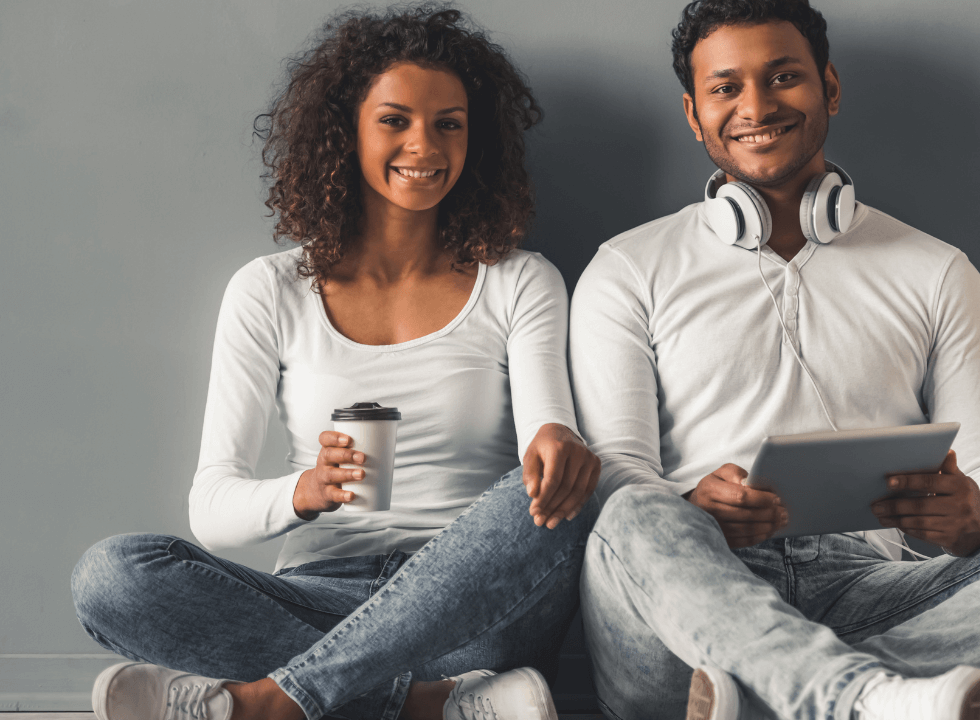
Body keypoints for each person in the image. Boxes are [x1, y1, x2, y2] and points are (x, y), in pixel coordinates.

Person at [567, 1, 980, 719]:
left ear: (829, 88)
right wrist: (691, 507)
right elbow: (615, 468)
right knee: (633, 512)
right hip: (686, 596)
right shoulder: (626, 268)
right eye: (726, 88)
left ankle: (805, 698)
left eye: (783, 77)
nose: (756, 106)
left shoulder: (936, 272)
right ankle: (860, 698)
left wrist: (979, 519)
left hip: (863, 585)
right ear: (693, 112)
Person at [70, 6, 599, 720]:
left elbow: (547, 444)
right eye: (395, 120)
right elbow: (213, 510)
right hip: (320, 591)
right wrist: (303, 492)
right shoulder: (269, 289)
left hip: (469, 604)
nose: (425, 144)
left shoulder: (518, 280)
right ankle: (427, 706)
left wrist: (557, 445)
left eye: (449, 122)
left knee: (554, 499)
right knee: (112, 576)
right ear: (344, 130)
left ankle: (279, 702)